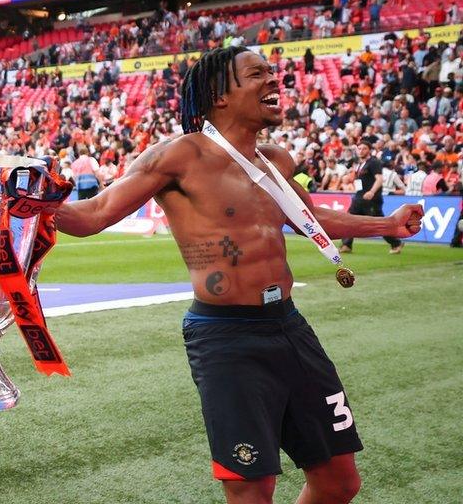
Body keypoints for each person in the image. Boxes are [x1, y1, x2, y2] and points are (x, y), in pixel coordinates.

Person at [53, 47, 423, 504]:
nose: (273, 80)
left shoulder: (277, 161)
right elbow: (93, 215)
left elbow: (310, 217)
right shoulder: (180, 155)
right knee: (252, 490)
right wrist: (33, 201)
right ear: (218, 95)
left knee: (340, 481)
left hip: (289, 326)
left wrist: (387, 225)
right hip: (225, 337)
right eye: (257, 74)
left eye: (272, 71)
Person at [339, 142, 405, 254]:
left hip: (371, 200)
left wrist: (372, 192)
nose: (361, 151)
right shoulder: (359, 164)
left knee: (378, 224)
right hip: (359, 198)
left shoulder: (374, 162)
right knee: (348, 220)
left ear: (369, 150)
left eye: (364, 148)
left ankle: (396, 243)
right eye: (359, 148)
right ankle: (346, 245)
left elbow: (379, 179)